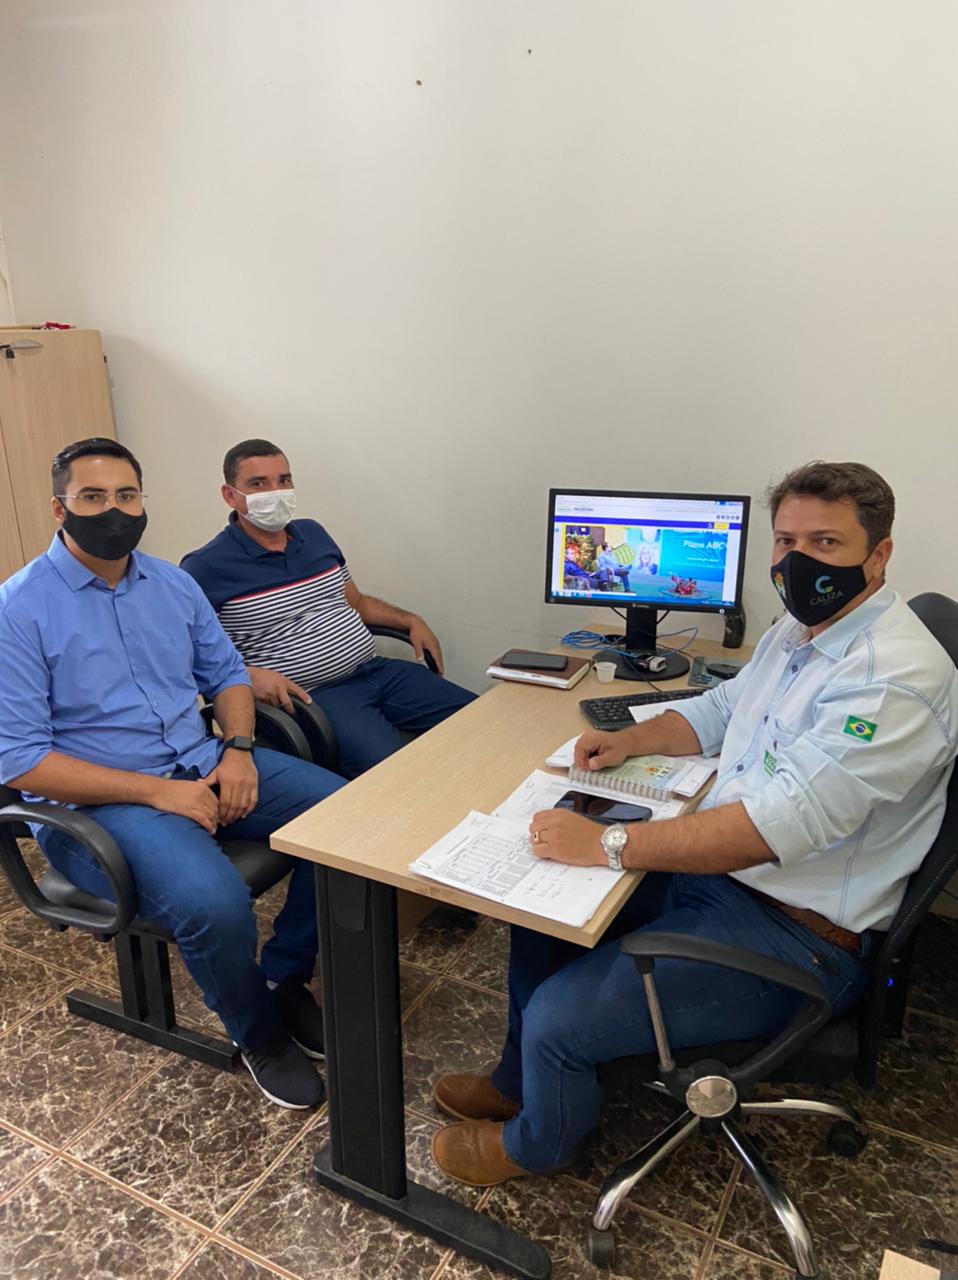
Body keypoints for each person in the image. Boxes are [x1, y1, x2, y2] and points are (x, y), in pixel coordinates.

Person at [430, 460, 958, 1186]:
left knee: (558, 1015)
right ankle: (519, 1082)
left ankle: (537, 1145)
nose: (799, 562)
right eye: (787, 541)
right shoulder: (804, 628)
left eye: (827, 543)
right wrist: (632, 738)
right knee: (539, 917)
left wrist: (608, 844)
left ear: (880, 554)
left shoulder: (892, 681)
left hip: (797, 937)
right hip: (727, 883)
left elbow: (767, 831)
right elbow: (723, 707)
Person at [0, 438, 346, 1111]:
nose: (113, 510)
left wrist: (238, 750)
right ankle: (259, 1034)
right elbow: (21, 761)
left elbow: (227, 675)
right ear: (60, 509)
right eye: (93, 497)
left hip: (202, 761)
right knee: (213, 903)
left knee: (344, 822)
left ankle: (281, 978)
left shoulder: (172, 583)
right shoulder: (18, 609)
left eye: (126, 495)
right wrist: (159, 792)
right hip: (98, 807)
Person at [180, 440, 476, 779]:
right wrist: (246, 675)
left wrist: (409, 620)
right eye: (258, 484)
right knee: (399, 776)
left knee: (484, 721)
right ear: (230, 495)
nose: (276, 492)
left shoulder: (313, 534)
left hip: (376, 671)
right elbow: (183, 658)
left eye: (283, 480)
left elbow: (356, 602)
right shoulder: (205, 567)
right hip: (314, 699)